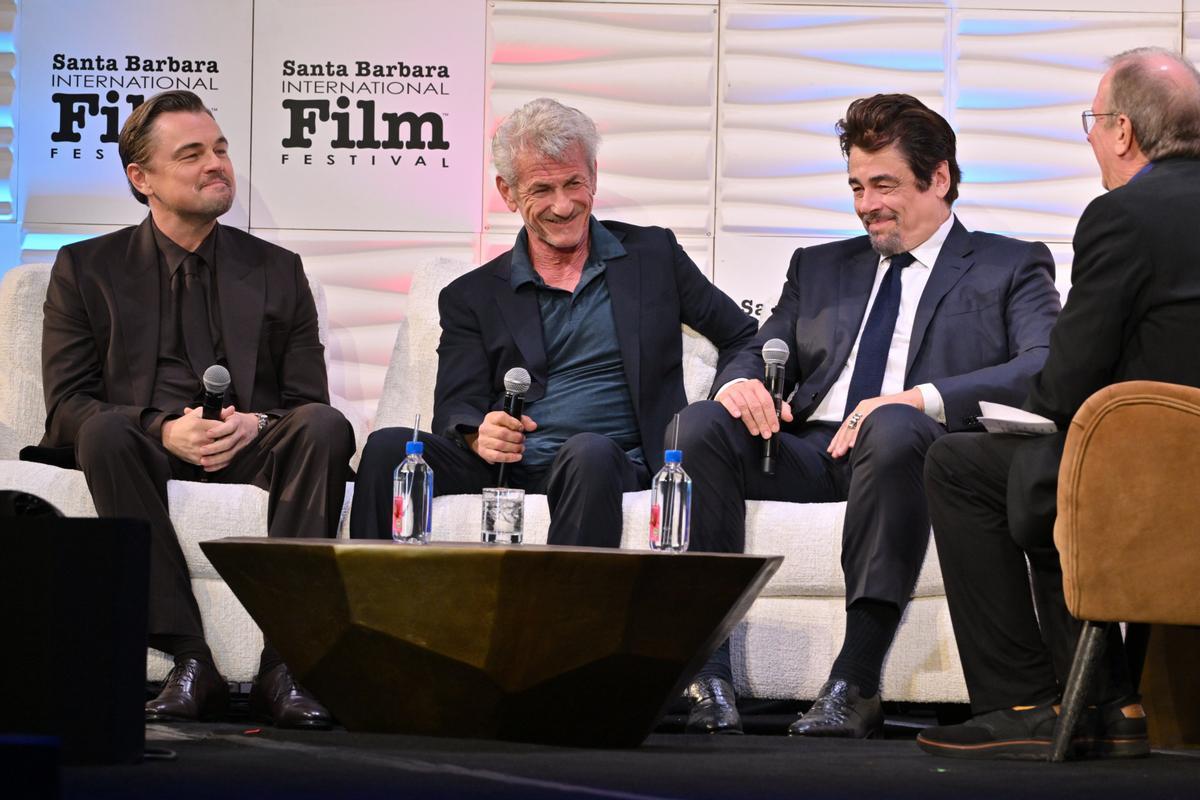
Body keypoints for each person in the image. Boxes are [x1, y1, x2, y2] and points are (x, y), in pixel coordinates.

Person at [673, 94, 1062, 735]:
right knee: (700, 426)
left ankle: (854, 679)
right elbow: (763, 347)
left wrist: (917, 398)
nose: (866, 204)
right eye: (856, 185)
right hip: (812, 450)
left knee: (893, 424)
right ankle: (706, 680)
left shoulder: (1009, 263)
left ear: (939, 178)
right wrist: (740, 384)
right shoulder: (819, 265)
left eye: (884, 184)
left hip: (912, 450)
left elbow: (1040, 366)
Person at [36, 90, 355, 728]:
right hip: (144, 447)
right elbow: (66, 404)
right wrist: (161, 428)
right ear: (141, 178)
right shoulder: (86, 268)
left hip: (248, 446)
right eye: (192, 154)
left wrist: (255, 424)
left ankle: (283, 665)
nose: (216, 164)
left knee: (325, 426)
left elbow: (306, 399)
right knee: (101, 431)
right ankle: (189, 656)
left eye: (220, 148)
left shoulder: (276, 269)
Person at [919, 46, 1200, 760]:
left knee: (962, 463)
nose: (1091, 138)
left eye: (1092, 121)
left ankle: (1027, 700)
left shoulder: (1125, 215)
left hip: (1154, 480)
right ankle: (1115, 701)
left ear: (1123, 132)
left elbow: (1067, 380)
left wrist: (1033, 406)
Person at [350, 97, 756, 547]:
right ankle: (371, 614)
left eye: (573, 183)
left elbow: (741, 335)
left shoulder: (653, 256)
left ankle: (568, 616)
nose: (562, 206)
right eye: (541, 190)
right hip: (505, 464)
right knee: (387, 447)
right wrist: (477, 434)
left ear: (594, 176)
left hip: (608, 460)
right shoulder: (472, 295)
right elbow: (456, 406)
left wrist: (735, 386)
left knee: (588, 450)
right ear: (507, 193)